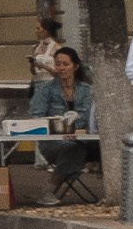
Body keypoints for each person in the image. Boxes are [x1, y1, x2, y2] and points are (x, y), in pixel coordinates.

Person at [26, 45, 96, 199]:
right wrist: (62, 129)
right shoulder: (46, 89)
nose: (61, 68)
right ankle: (50, 190)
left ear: (75, 66)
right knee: (75, 149)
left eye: (66, 64)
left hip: (83, 139)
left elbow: (90, 117)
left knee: (102, 147)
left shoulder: (87, 90)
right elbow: (37, 116)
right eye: (58, 64)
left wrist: (78, 130)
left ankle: (113, 194)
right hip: (53, 141)